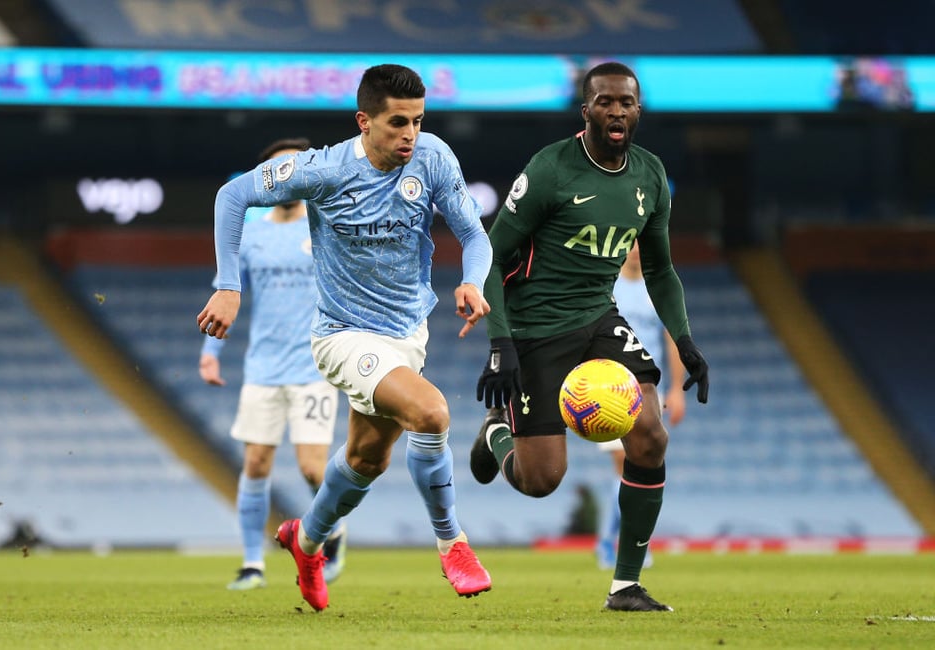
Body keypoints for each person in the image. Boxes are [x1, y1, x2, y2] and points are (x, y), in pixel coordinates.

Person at [197, 64, 494, 612]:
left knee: (366, 458)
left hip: (407, 333)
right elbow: (231, 197)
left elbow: (474, 234)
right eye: (397, 122)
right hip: (342, 335)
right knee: (430, 413)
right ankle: (453, 543)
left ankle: (305, 543)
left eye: (419, 121)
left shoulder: (432, 158)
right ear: (364, 121)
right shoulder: (322, 170)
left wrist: (472, 280)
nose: (410, 134)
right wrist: (227, 286)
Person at [469, 61, 709, 612]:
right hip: (535, 328)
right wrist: (501, 343)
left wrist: (687, 341)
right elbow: (491, 256)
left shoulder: (649, 175)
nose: (617, 110)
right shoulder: (550, 170)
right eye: (605, 102)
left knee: (649, 437)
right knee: (542, 480)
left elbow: (661, 271)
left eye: (626, 102)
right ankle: (495, 435)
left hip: (600, 318)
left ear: (638, 110)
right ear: (587, 111)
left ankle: (625, 586)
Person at [199, 137, 348, 590]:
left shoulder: (325, 226)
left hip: (315, 367)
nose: (287, 178)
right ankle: (251, 563)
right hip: (263, 367)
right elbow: (226, 296)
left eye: (294, 169)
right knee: (256, 464)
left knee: (311, 468)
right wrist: (210, 354)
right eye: (277, 171)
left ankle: (332, 531)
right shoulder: (250, 232)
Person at [594, 241, 686, 571]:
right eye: (630, 244)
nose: (635, 250)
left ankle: (622, 542)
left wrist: (676, 388)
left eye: (639, 245)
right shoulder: (607, 284)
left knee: (643, 466)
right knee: (625, 465)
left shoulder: (656, 285)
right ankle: (613, 543)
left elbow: (673, 338)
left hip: (650, 389)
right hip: (610, 389)